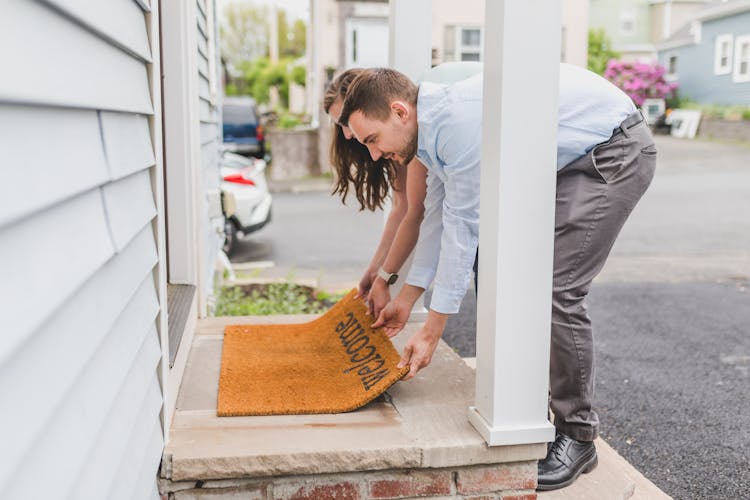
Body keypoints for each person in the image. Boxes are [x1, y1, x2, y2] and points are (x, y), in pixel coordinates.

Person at [338, 65, 656, 491]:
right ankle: (531, 403)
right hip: (572, 159)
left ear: (399, 112)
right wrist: (408, 296)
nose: (374, 155)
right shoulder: (428, 129)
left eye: (372, 140)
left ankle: (578, 436)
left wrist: (432, 331)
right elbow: (436, 215)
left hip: (611, 153)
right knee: (512, 273)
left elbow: (463, 225)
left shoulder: (456, 122)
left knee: (556, 290)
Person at [323, 63, 482, 317]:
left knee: (481, 257)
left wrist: (386, 277)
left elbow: (421, 212)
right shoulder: (399, 134)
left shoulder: (419, 125)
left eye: (348, 121)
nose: (347, 133)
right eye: (339, 124)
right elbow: (410, 209)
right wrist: (378, 272)